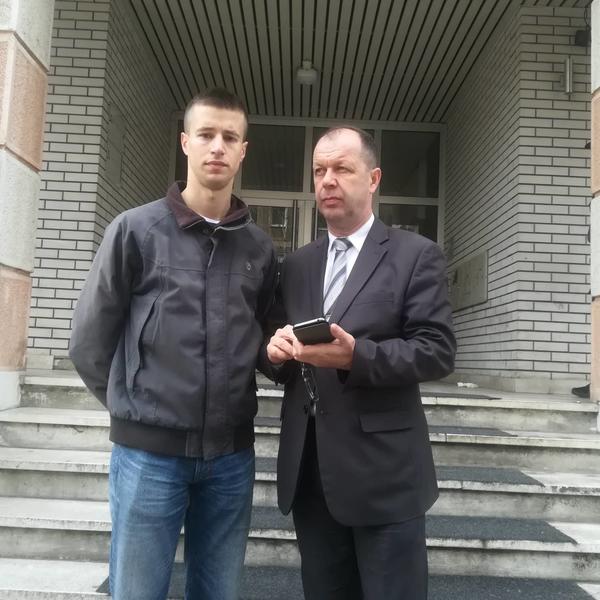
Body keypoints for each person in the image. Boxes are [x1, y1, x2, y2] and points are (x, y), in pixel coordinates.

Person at [69, 88, 277, 600]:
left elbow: (264, 337)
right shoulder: (135, 231)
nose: (217, 146)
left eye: (229, 137)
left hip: (230, 459)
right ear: (185, 142)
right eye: (206, 134)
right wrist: (134, 407)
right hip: (148, 458)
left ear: (243, 150)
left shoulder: (259, 247)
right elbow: (89, 342)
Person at [265, 127, 456, 599]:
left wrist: (358, 357)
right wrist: (274, 354)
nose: (327, 180)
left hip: (385, 475)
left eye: (341, 169)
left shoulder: (415, 255)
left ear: (373, 179)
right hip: (311, 473)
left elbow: (436, 350)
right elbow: (286, 355)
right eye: (319, 171)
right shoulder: (297, 265)